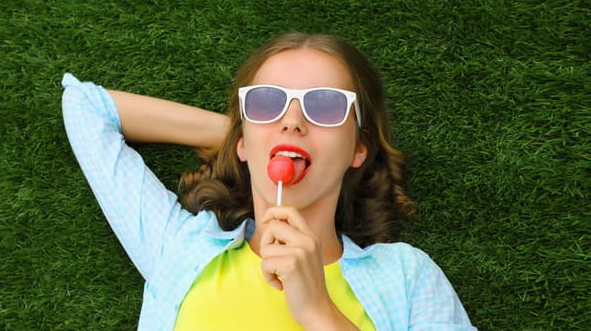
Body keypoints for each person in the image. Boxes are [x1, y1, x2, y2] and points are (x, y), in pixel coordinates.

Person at [62, 32, 476, 330]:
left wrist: (320, 312)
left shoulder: (407, 276)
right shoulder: (178, 245)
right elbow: (86, 106)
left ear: (357, 150)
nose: (292, 121)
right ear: (242, 141)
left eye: (326, 105)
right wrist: (244, 135)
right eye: (265, 102)